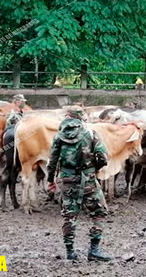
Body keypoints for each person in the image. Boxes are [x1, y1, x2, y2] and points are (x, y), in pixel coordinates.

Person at [46, 105, 112, 262]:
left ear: (68, 117)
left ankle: (70, 252)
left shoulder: (58, 136)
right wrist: (94, 169)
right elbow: (103, 157)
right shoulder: (90, 133)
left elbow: (52, 161)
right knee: (99, 212)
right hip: (88, 178)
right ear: (81, 118)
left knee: (69, 216)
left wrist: (50, 180)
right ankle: (94, 250)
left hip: (67, 180)